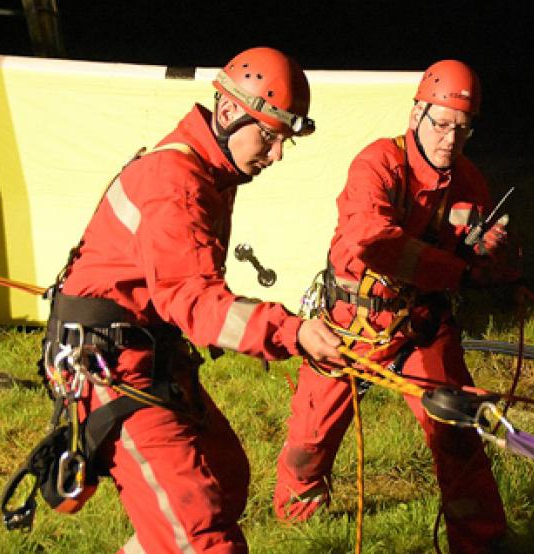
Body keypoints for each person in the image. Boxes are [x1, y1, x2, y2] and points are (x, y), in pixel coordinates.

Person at [40, 46, 341, 553]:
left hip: (149, 354)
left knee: (223, 478)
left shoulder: (209, 170)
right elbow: (194, 302)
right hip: (112, 370)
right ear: (228, 111)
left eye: (284, 140)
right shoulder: (176, 181)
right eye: (269, 136)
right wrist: (292, 331)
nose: (276, 154)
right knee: (203, 538)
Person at [273, 59, 521, 553]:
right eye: (442, 123)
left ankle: (481, 543)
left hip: (419, 326)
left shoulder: (470, 182)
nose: (451, 138)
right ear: (417, 117)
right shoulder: (379, 164)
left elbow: (476, 258)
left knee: (457, 431)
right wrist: (458, 271)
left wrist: (492, 252)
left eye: (463, 128)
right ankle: (300, 515)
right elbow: (373, 240)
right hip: (348, 323)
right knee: (311, 438)